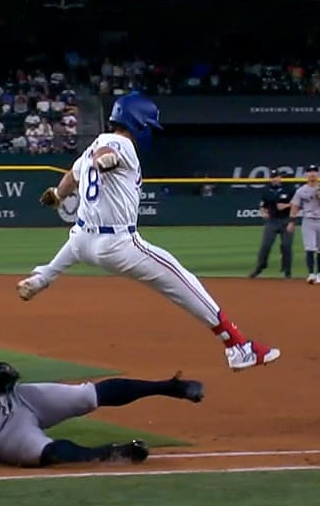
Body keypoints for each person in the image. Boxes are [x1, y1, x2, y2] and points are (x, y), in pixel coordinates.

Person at [17, 92, 281, 371]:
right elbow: (107, 155)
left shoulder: (93, 146)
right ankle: (238, 347)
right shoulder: (120, 143)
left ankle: (41, 278)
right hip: (118, 244)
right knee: (183, 281)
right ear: (138, 123)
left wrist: (57, 194)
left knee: (77, 241)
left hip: (83, 238)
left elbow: (72, 175)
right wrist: (105, 160)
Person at [0, 320, 206, 467]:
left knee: (88, 395)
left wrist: (1, 382)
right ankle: (112, 453)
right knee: (47, 452)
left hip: (21, 399)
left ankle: (170, 387)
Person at [289, 164, 320, 284]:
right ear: (306, 174)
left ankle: (319, 274)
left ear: (318, 174)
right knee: (309, 248)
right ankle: (311, 274)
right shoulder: (301, 190)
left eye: (314, 171)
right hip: (308, 221)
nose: (312, 173)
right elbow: (295, 206)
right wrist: (291, 222)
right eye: (310, 171)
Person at [249, 167, 295, 279]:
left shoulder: (289, 189)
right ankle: (260, 267)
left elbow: (296, 204)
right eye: (272, 177)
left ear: (280, 178)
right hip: (272, 221)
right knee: (265, 245)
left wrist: (286, 206)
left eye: (276, 177)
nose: (274, 179)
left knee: (286, 246)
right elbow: (263, 206)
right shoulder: (266, 190)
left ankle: (287, 271)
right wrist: (263, 212)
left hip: (286, 220)